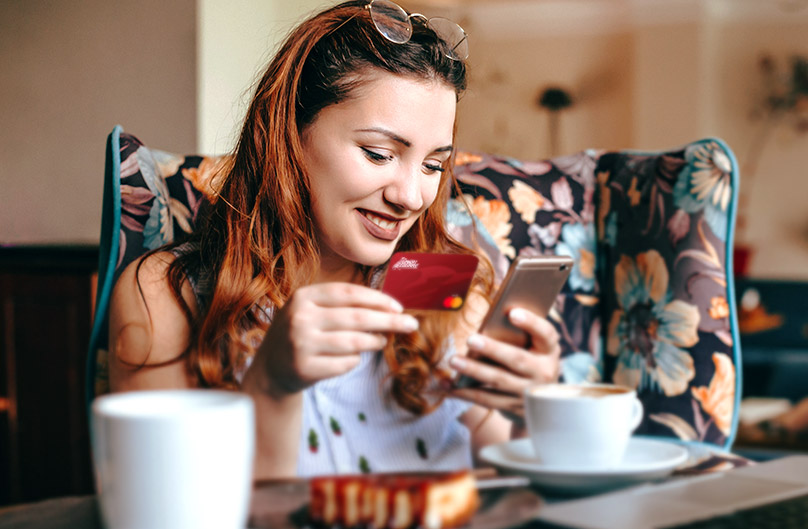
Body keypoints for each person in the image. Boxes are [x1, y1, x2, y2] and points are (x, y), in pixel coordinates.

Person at [107, 0, 561, 480]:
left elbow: (510, 478)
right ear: (289, 136)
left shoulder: (434, 280)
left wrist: (535, 410)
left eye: (433, 165)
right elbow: (164, 510)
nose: (411, 197)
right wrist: (271, 385)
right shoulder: (167, 294)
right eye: (378, 153)